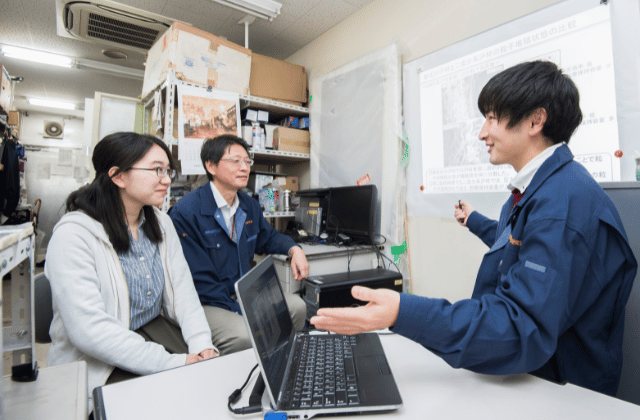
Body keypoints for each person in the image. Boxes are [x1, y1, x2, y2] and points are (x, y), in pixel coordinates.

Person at [311, 60, 637, 396]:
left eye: (493, 117)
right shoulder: (543, 189)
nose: (482, 132)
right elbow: (516, 241)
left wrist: (401, 311)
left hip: (561, 389)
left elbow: (520, 327)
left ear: (536, 120)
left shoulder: (563, 201)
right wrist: (475, 221)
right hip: (526, 371)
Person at [45, 132, 218, 414]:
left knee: (208, 381)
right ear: (118, 176)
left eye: (168, 170)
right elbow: (90, 332)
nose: (167, 179)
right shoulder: (74, 234)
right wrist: (173, 362)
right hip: (99, 354)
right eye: (156, 170)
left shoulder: (159, 221)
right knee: (171, 403)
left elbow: (184, 290)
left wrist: (202, 344)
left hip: (152, 326)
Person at [169, 134, 309, 355]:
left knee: (298, 307)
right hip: (207, 301)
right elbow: (202, 282)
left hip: (243, 293)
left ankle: (282, 365)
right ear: (211, 166)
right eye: (236, 161)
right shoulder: (187, 212)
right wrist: (243, 310)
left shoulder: (248, 205)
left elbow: (268, 237)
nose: (244, 167)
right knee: (243, 335)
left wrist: (294, 249)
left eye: (247, 161)